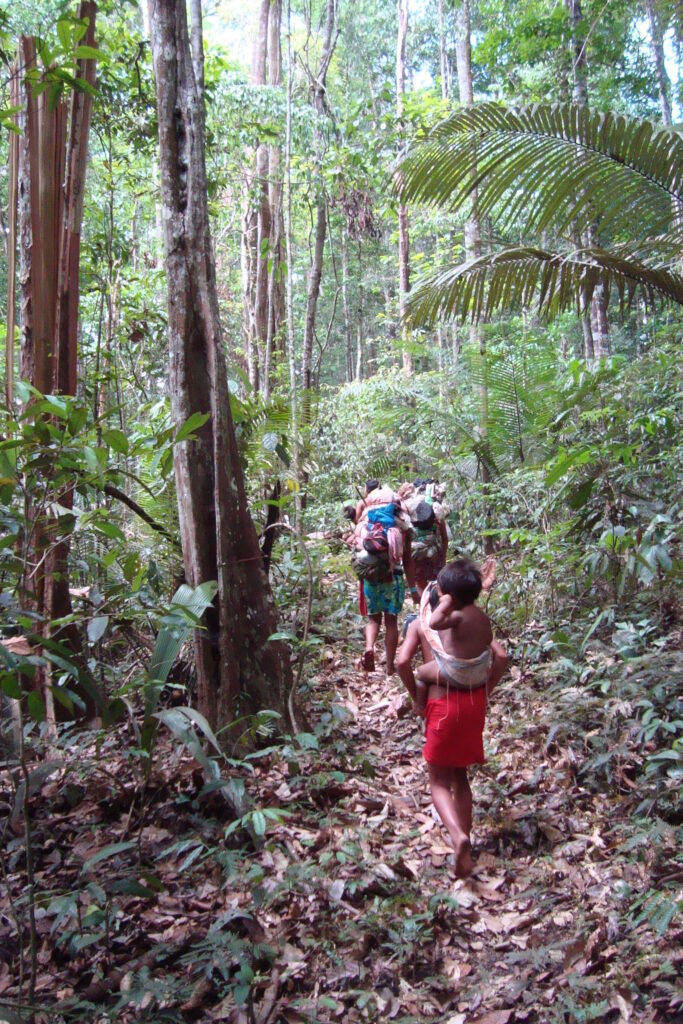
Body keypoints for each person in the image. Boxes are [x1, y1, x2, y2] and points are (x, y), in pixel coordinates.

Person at [396, 558, 508, 878]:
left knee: (438, 781)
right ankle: (468, 841)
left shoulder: (430, 622)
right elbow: (500, 656)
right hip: (473, 704)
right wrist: (486, 689)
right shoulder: (480, 621)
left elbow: (403, 662)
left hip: (442, 706)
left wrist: (415, 698)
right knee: (461, 777)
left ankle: (457, 837)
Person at [354, 480, 418, 676]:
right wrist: (414, 590)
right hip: (394, 577)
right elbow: (407, 561)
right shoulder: (402, 528)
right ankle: (390, 666)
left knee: (373, 619)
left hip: (371, 576)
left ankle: (369, 647)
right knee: (391, 621)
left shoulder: (366, 524)